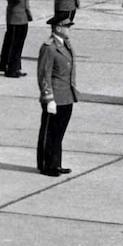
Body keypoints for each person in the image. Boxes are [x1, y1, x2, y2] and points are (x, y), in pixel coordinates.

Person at [36, 15, 77, 175]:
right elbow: (43, 75)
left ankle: (56, 163)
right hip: (55, 97)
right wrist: (48, 98)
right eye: (66, 27)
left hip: (66, 95)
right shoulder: (49, 47)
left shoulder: (65, 44)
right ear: (58, 28)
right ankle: (47, 165)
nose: (68, 29)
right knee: (49, 132)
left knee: (59, 132)